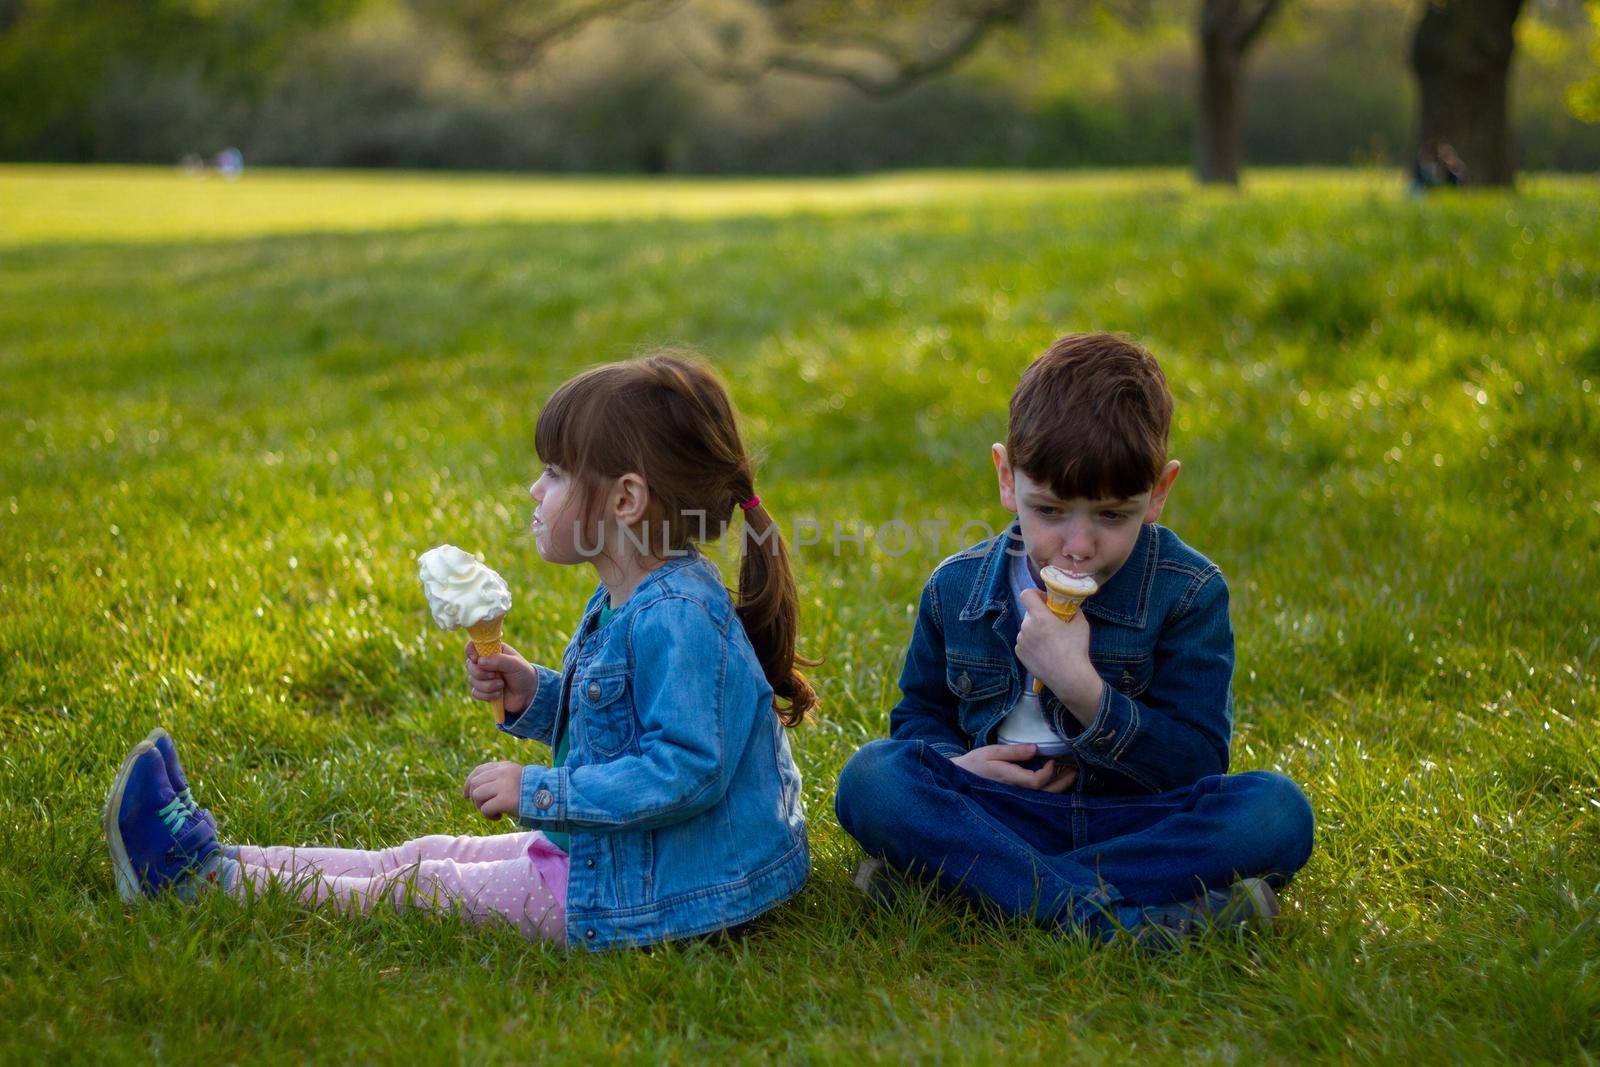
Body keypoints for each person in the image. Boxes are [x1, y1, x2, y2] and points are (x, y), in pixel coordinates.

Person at [104, 353, 815, 950]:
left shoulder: (678, 616)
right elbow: (621, 716)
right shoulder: (634, 593)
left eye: (558, 473)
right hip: (628, 857)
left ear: (627, 499)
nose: (536, 489)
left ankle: (206, 884)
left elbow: (685, 770)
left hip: (664, 889)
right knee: (420, 856)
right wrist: (537, 691)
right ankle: (216, 862)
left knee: (424, 888)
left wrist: (538, 788)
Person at [833, 332, 1314, 946]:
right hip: (997, 812)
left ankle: (977, 889)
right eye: (1051, 510)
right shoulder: (956, 589)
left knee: (1275, 812)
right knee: (872, 779)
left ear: (1158, 494)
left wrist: (1083, 689)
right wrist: (963, 765)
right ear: (1008, 479)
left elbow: (1196, 764)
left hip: (1136, 824)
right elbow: (919, 719)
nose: (1079, 545)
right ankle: (1113, 919)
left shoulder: (1189, 591)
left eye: (1113, 515)